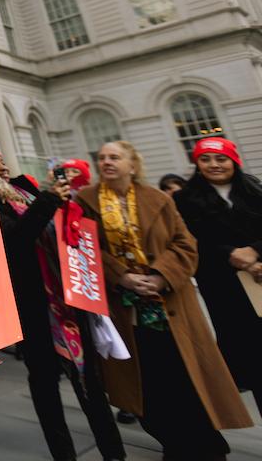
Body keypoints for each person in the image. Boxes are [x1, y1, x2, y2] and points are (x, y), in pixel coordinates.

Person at [77, 140, 253, 459]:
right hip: (124, 309)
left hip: (170, 305)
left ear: (133, 164)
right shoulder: (85, 201)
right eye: (101, 158)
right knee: (145, 386)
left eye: (115, 157)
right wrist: (122, 276)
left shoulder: (158, 198)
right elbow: (84, 248)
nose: (106, 162)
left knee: (184, 379)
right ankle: (173, 441)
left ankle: (205, 444)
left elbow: (185, 244)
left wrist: (160, 275)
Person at [0, 145, 123, 461]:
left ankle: (114, 452)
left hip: (67, 298)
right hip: (33, 304)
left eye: (2, 161)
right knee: (45, 382)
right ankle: (63, 453)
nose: (4, 168)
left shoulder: (22, 195)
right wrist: (49, 199)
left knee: (90, 382)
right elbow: (16, 241)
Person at [174, 137, 262, 413]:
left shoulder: (255, 191)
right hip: (225, 291)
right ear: (197, 164)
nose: (214, 165)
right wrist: (233, 255)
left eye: (221, 159)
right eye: (205, 159)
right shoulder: (183, 200)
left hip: (260, 280)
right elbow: (190, 242)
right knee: (255, 364)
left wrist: (255, 253)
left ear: (233, 161)